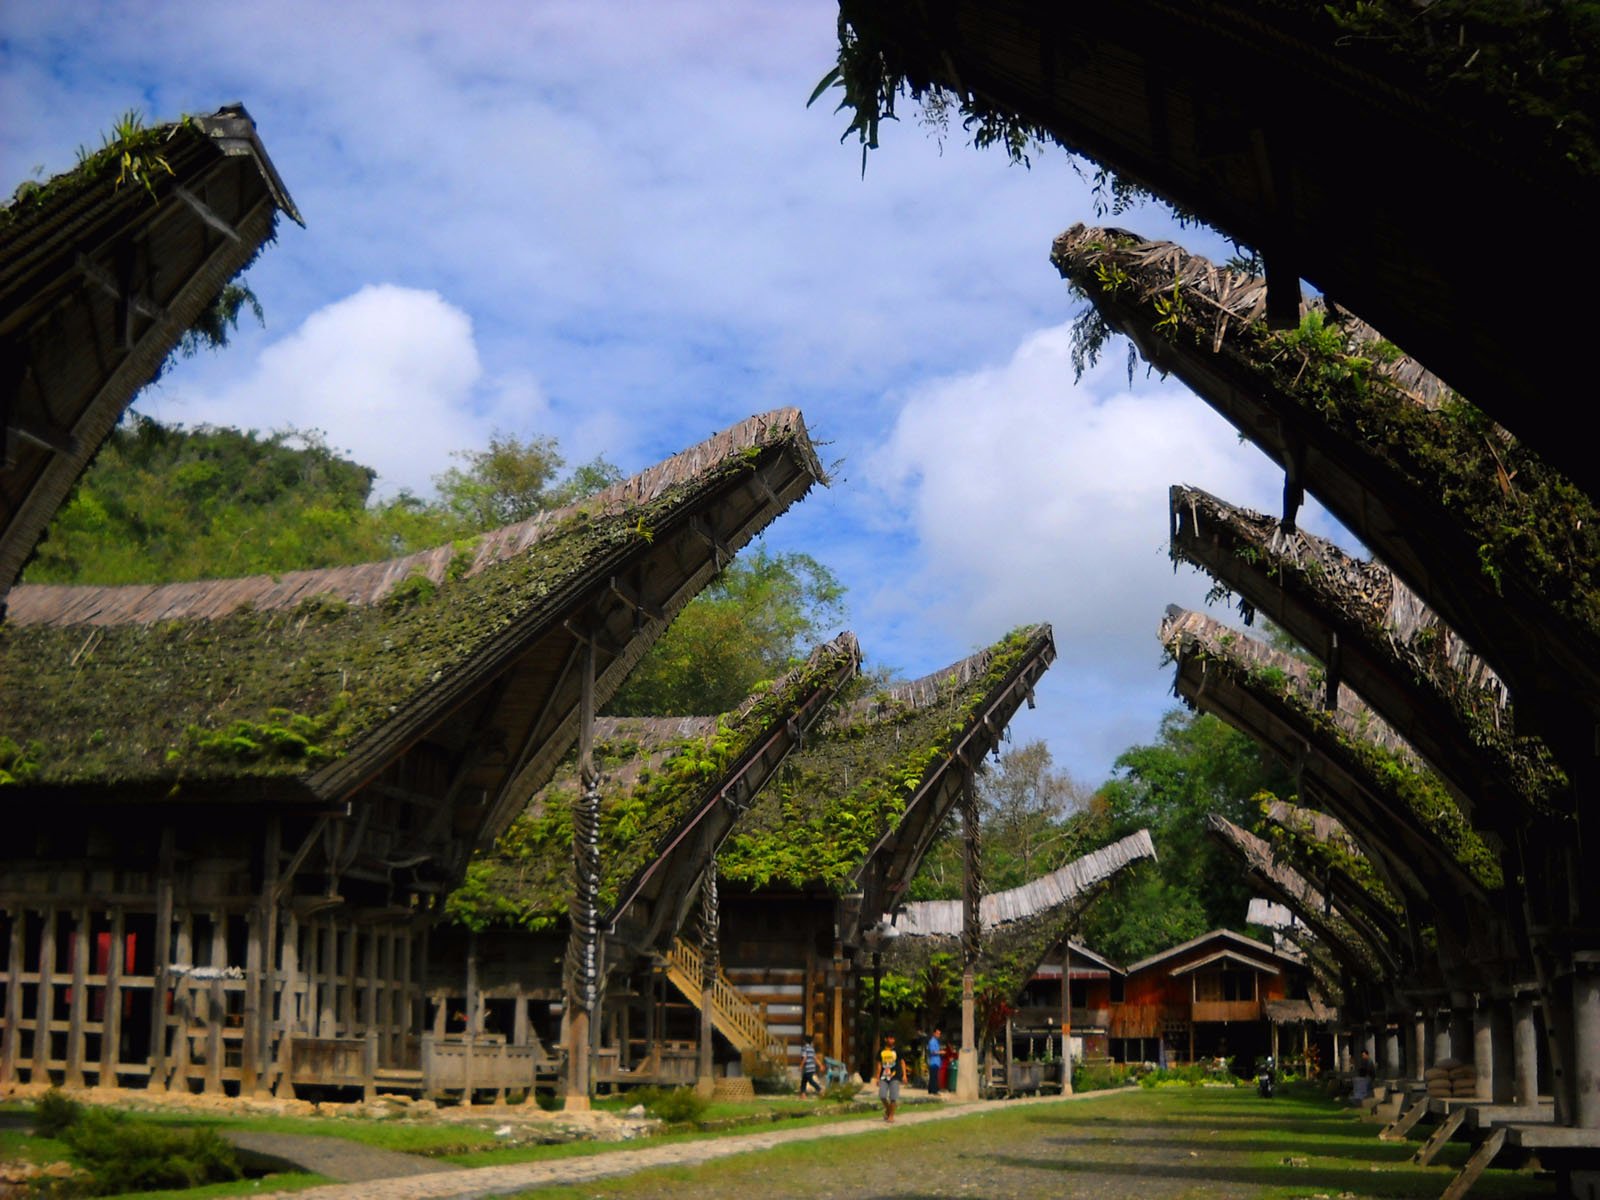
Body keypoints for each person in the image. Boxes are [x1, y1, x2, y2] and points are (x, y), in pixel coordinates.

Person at [878, 1033, 906, 1122]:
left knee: (893, 1097)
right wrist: (877, 1077)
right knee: (882, 1095)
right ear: (886, 1039)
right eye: (890, 1038)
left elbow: (902, 1062)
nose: (891, 1040)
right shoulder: (881, 1051)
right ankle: (888, 1110)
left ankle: (891, 1116)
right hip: (883, 1076)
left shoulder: (897, 1050)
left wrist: (904, 1075)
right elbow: (879, 1064)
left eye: (893, 1039)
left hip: (895, 1076)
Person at [926, 1028, 943, 1097]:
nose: (939, 1035)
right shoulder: (932, 1041)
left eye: (939, 1034)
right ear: (934, 1033)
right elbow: (932, 1051)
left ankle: (930, 1090)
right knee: (934, 1077)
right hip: (933, 1062)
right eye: (937, 1033)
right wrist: (940, 1052)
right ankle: (934, 1090)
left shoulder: (936, 1041)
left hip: (936, 1062)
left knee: (933, 1076)